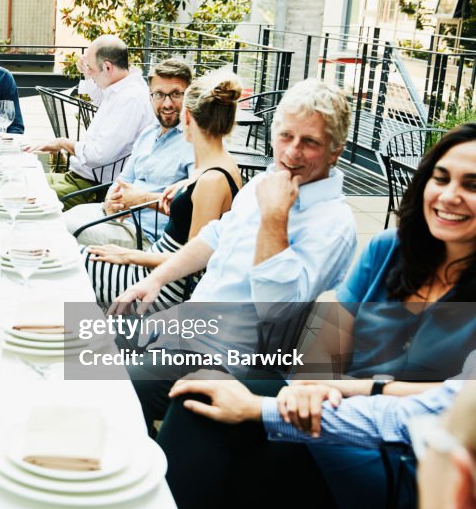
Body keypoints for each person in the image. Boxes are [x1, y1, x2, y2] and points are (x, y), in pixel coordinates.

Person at [154, 123, 476, 509]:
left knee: (201, 452)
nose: (449, 196)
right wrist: (312, 383)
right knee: (201, 397)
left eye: (472, 185)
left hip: (403, 467)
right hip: (323, 421)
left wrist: (345, 388)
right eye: (441, 178)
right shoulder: (390, 250)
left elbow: (454, 401)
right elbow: (326, 331)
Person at [112, 78, 358, 429]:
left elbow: (275, 307)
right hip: (185, 328)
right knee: (75, 349)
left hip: (223, 363)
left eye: (310, 142)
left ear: (335, 150)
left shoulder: (333, 223)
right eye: (286, 136)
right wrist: (154, 280)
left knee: (106, 384)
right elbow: (215, 236)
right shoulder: (265, 182)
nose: (291, 152)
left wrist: (275, 216)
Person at [183, 377, 476, 509]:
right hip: (334, 405)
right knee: (204, 405)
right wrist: (312, 385)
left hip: (377, 459)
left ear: (461, 487)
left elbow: (406, 417)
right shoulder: (376, 277)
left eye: (429, 436)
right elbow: (323, 333)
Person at [80, 69, 242, 307]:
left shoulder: (212, 180)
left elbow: (194, 263)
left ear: (187, 117)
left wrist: (128, 255)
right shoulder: (216, 166)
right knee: (66, 260)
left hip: (166, 287)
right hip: (156, 267)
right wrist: (185, 187)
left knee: (67, 264)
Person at [62, 58, 195, 246]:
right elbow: (122, 181)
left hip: (146, 235)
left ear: (189, 96)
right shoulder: (148, 133)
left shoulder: (194, 142)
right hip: (116, 219)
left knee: (62, 229)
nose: (167, 104)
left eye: (175, 94)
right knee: (55, 214)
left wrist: (142, 200)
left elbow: (194, 205)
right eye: (159, 94)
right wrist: (110, 203)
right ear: (150, 96)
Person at [26, 35, 155, 208]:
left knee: (24, 193)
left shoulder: (131, 99)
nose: (90, 73)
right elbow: (101, 97)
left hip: (94, 188)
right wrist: (89, 73)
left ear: (108, 67)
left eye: (92, 69)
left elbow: (98, 155)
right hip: (79, 177)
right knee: (22, 179)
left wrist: (62, 143)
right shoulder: (121, 87)